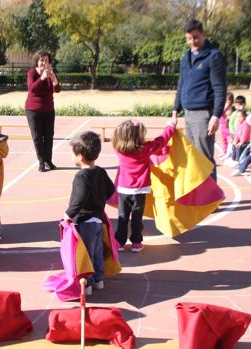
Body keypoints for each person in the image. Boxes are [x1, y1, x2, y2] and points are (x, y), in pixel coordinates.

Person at [171, 19, 227, 180]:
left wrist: (216, 115)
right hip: (188, 115)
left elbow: (219, 88)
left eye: (196, 37)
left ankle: (211, 203)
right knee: (192, 157)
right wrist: (175, 110)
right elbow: (181, 84)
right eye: (189, 38)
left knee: (204, 158)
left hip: (204, 115)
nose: (192, 42)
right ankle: (199, 200)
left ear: (203, 35)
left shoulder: (213, 56)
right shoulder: (185, 57)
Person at [112, 119, 176, 252]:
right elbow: (162, 140)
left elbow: (118, 138)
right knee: (137, 217)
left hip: (124, 188)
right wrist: (170, 127)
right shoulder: (146, 148)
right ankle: (136, 242)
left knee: (122, 216)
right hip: (140, 189)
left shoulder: (118, 149)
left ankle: (120, 242)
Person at [64, 131, 115, 296]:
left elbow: (79, 198)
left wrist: (68, 214)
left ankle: (87, 283)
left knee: (86, 255)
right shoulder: (100, 171)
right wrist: (99, 203)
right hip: (98, 219)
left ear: (79, 156)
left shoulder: (81, 176)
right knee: (97, 251)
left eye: (71, 152)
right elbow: (110, 190)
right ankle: (99, 279)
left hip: (85, 222)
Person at [25, 50, 61, 172]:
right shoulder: (32, 73)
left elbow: (57, 89)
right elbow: (31, 89)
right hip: (33, 110)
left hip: (49, 110)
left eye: (46, 60)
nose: (44, 62)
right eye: (41, 60)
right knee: (37, 136)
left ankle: (48, 160)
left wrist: (54, 78)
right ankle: (41, 162)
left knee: (49, 136)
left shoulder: (50, 74)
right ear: (37, 61)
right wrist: (42, 78)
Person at [218, 92, 234, 161]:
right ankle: (225, 152)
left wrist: (226, 106)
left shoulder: (231, 108)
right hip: (222, 126)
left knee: (229, 140)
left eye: (228, 100)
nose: (227, 101)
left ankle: (229, 153)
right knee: (224, 140)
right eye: (226, 100)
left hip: (228, 127)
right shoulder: (222, 106)